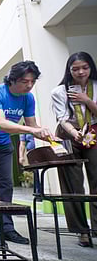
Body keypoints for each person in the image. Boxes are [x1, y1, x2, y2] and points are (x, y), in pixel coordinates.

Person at [0, 60, 53, 249]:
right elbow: (0, 123)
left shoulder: (28, 98)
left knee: (6, 184)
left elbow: (32, 125)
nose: (29, 85)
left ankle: (7, 227)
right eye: (24, 81)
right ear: (12, 80)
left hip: (3, 143)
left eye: (32, 81)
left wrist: (48, 136)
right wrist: (32, 131)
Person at [51, 51, 97, 247]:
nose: (80, 72)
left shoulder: (95, 86)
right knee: (73, 184)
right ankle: (81, 231)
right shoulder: (59, 91)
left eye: (84, 67)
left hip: (94, 133)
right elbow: (61, 118)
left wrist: (85, 100)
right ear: (69, 70)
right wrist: (73, 132)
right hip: (68, 135)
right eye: (75, 68)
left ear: (91, 68)